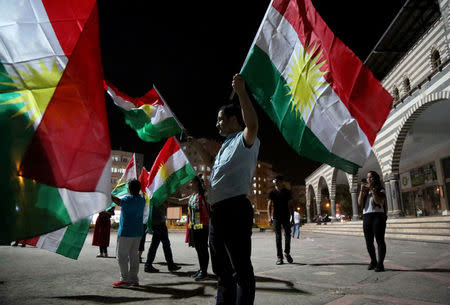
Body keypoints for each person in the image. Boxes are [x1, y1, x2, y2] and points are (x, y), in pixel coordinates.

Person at [191, 74, 259, 305]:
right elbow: (213, 165)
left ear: (233, 118)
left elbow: (252, 124)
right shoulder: (225, 146)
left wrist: (240, 91)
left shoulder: (245, 139)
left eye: (220, 119)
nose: (217, 124)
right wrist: (194, 147)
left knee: (240, 268)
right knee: (221, 269)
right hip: (217, 212)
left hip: (235, 209)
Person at [111, 179, 146, 287]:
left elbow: (118, 201)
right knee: (134, 256)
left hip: (126, 232)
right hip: (137, 232)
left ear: (129, 189)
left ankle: (125, 279)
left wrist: (108, 194)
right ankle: (134, 278)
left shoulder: (127, 199)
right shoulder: (142, 200)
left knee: (122, 256)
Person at [358, 171, 387, 272]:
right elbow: (359, 203)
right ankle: (373, 261)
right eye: (367, 177)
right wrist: (362, 191)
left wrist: (373, 191)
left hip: (378, 216)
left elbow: (379, 201)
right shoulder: (365, 191)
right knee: (368, 241)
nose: (368, 179)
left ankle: (380, 264)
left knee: (380, 240)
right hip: (367, 216)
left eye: (370, 177)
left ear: (375, 179)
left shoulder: (381, 189)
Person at [184, 176, 210, 281]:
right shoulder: (193, 196)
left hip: (203, 226)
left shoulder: (205, 195)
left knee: (203, 249)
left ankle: (204, 272)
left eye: (192, 182)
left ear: (197, 184)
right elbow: (180, 201)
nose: (190, 184)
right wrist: (165, 197)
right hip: (194, 226)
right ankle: (201, 269)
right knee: (198, 249)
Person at [144, 201, 181, 273]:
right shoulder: (153, 197)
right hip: (157, 223)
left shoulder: (160, 197)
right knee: (156, 245)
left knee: (165, 244)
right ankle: (148, 265)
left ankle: (170, 264)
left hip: (161, 223)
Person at [267, 175, 294, 265]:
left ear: (282, 182)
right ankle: (279, 257)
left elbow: (291, 205)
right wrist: (269, 217)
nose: (276, 182)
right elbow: (269, 206)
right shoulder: (272, 193)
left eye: (278, 181)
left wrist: (292, 218)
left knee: (288, 235)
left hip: (286, 217)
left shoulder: (287, 192)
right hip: (276, 217)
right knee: (278, 237)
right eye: (275, 181)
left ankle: (287, 252)